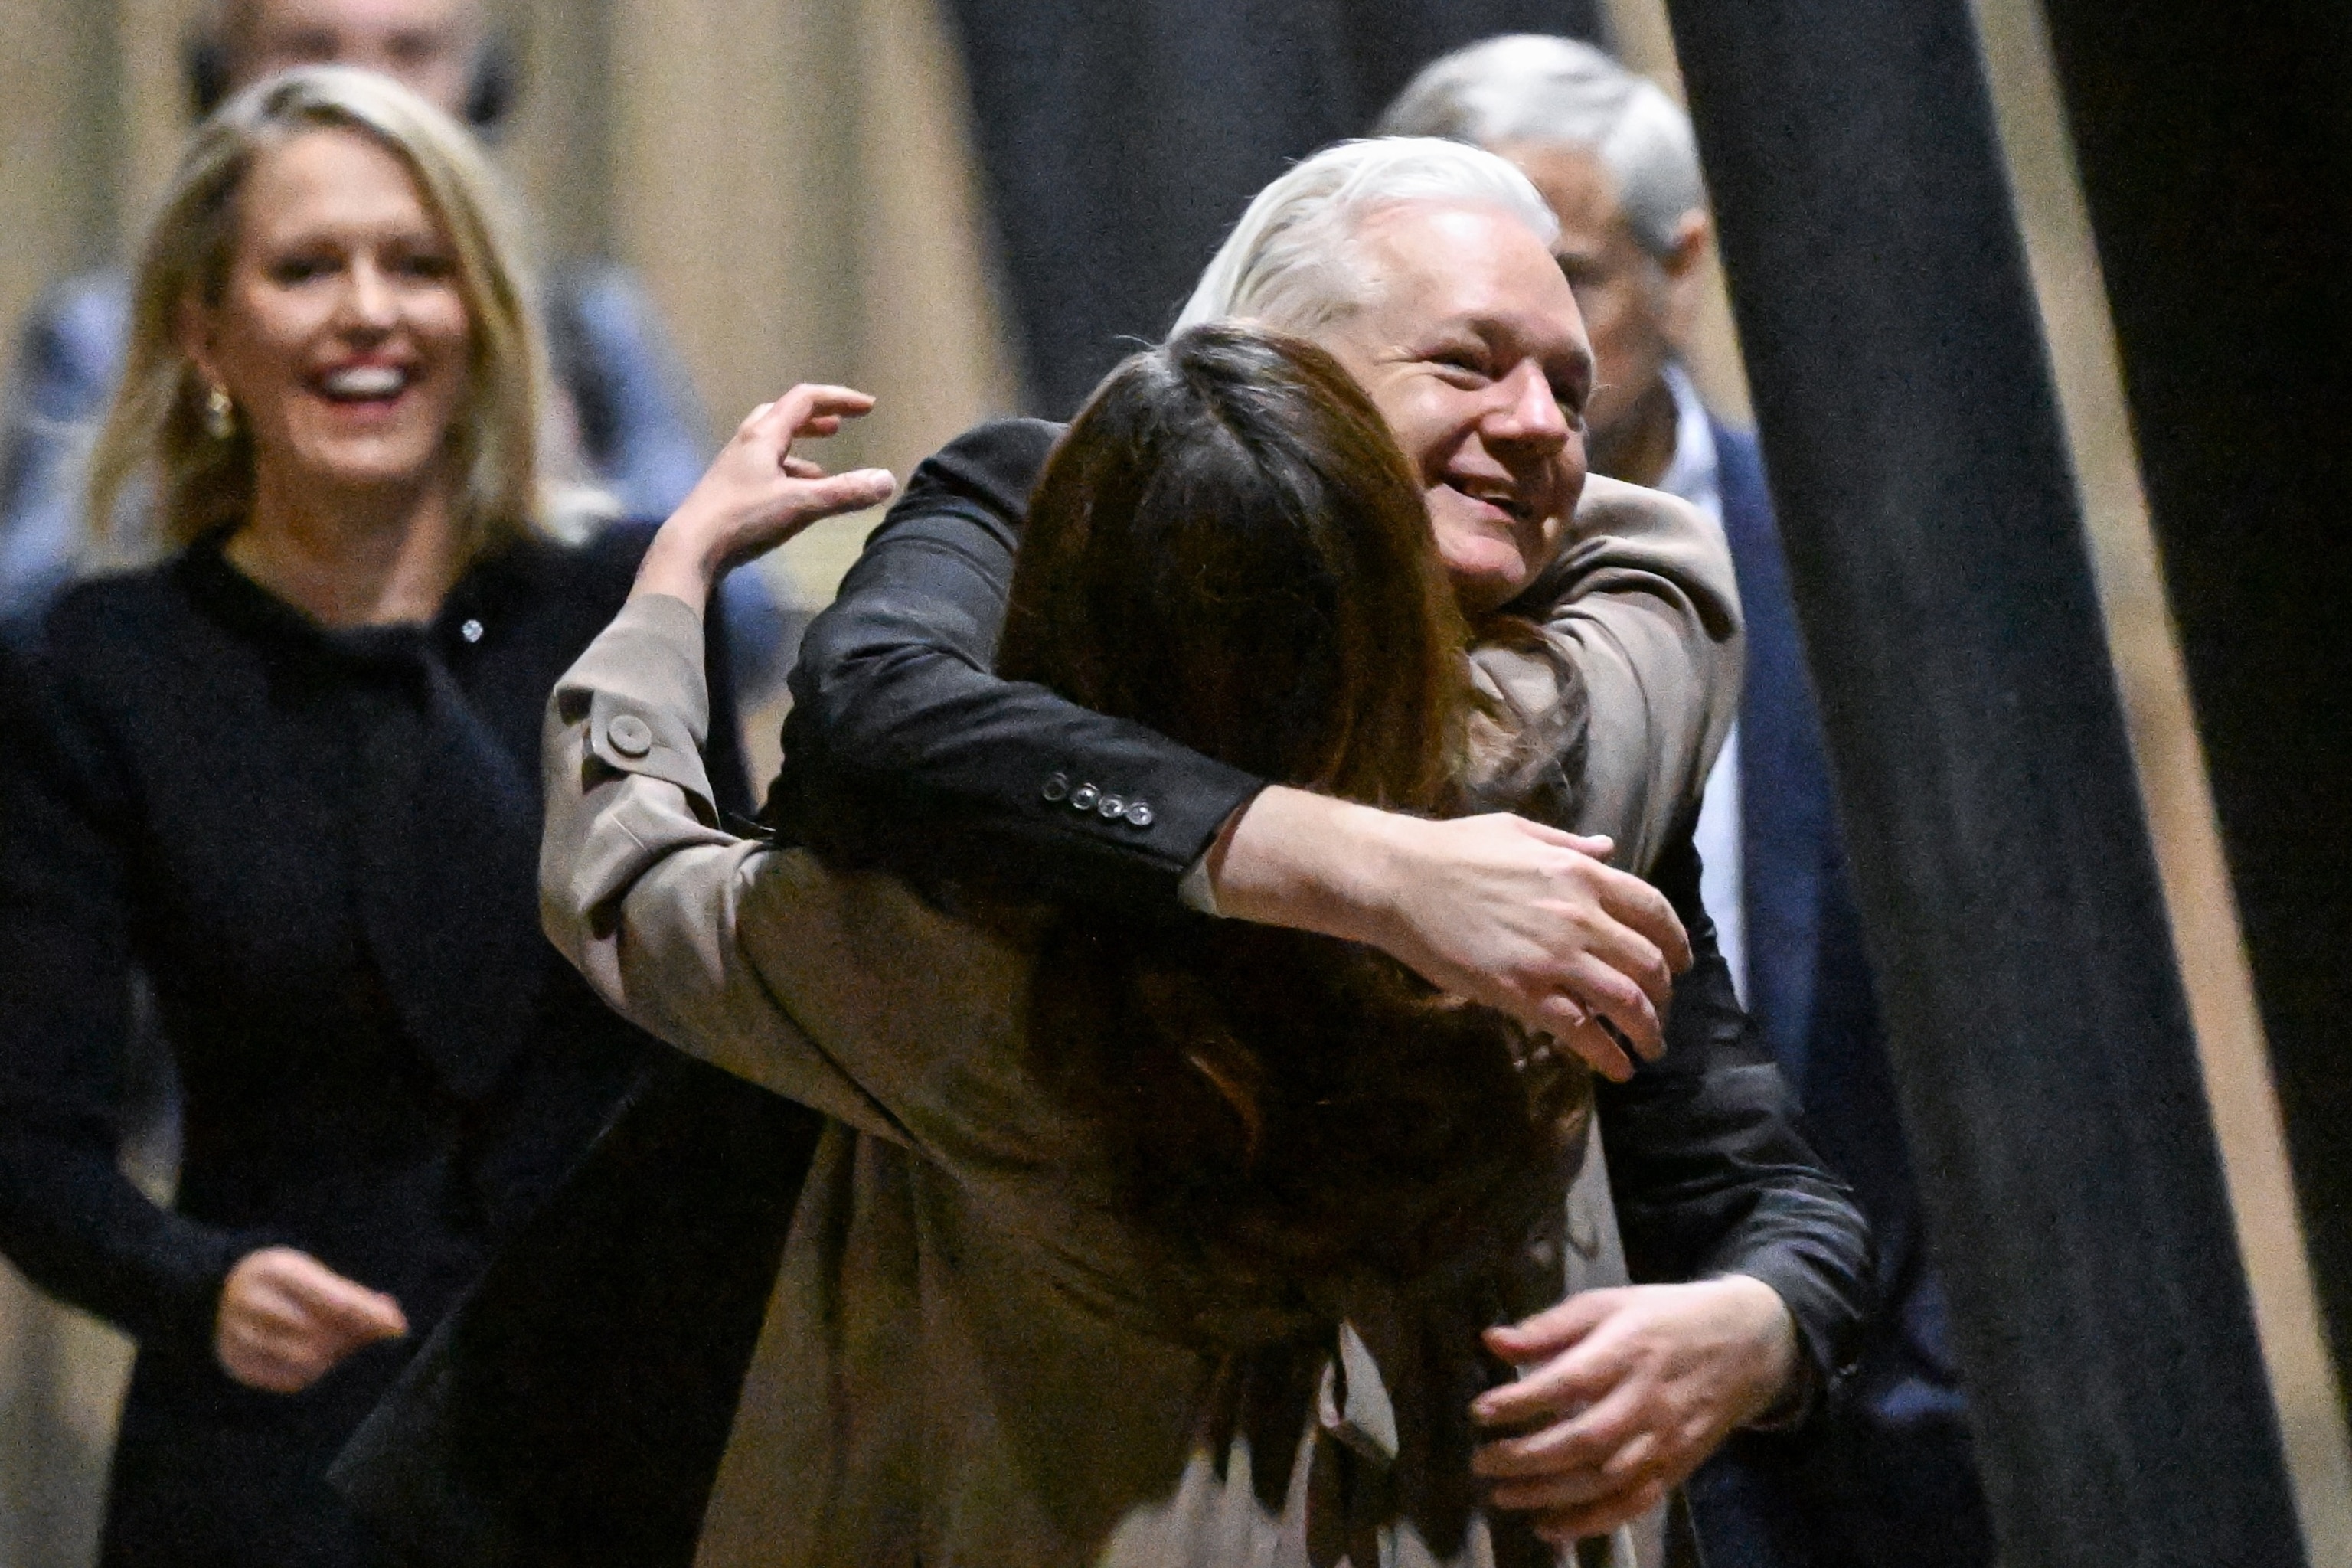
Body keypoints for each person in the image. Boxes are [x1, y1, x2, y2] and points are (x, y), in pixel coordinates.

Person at [337, 138, 1868, 1568]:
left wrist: (1755, 1321)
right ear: (1273, 367)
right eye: (1469, 361)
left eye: (1565, 385)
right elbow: (874, 711)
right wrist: (1347, 860)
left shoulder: (958, 966)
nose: (1543, 425)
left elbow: (629, 874)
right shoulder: (1562, 781)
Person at [0, 67, 779, 1568]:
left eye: (417, 265)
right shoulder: (97, 664)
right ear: (203, 331)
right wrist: (194, 1284)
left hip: (633, 1449)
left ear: (481, 315)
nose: (371, 309)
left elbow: (734, 1028)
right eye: (307, 269)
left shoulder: (626, 598)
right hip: (279, 1467)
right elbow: (34, 1137)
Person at [1379, 36, 1994, 1568]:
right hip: (1476, 1449)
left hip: (1867, 1448)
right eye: (1461, 334)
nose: (1527, 383)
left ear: (1687, 266)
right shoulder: (1340, 586)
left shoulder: (1885, 570)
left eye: (1569, 285)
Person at [0, 0, 786, 682]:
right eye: (309, 47)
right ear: (219, 76)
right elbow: (23, 624)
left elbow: (738, 628)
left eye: (411, 51)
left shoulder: (587, 325)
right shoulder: (103, 330)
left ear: (482, 86)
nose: (365, 86)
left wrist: (531, 469)